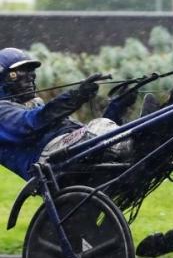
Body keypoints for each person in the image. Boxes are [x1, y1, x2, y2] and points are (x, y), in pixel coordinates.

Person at [0, 47, 144, 181]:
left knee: (97, 130)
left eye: (31, 70)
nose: (31, 76)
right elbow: (32, 124)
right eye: (20, 72)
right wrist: (77, 96)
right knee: (97, 128)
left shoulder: (32, 104)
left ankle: (144, 136)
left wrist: (118, 105)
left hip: (59, 153)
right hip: (44, 164)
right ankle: (144, 138)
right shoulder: (3, 109)